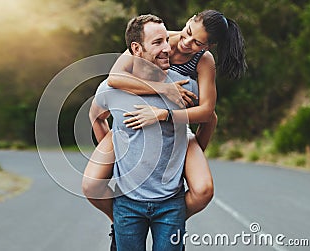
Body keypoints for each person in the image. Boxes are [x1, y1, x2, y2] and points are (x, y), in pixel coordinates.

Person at [83, 10, 247, 250]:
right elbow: (114, 79)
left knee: (203, 189)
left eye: (198, 43)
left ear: (209, 46)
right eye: (188, 32)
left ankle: (170, 220)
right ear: (189, 19)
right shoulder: (159, 38)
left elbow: (208, 114)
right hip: (139, 112)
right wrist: (163, 89)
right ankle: (119, 221)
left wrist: (183, 149)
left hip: (178, 120)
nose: (184, 43)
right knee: (90, 184)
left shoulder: (203, 62)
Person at [87, 14, 193, 250]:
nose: (167, 48)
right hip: (126, 203)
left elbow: (208, 117)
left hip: (171, 203)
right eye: (157, 43)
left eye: (167, 40)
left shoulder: (184, 86)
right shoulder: (109, 89)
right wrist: (113, 148)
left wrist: (192, 154)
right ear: (136, 48)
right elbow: (96, 116)